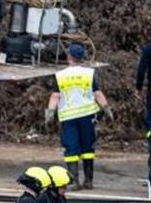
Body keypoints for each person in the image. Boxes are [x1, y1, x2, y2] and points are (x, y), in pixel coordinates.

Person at [45, 44, 114, 190]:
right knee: (88, 147)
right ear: (82, 58)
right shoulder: (88, 73)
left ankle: (74, 180)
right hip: (87, 115)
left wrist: (50, 114)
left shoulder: (61, 75)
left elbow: (55, 96)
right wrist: (107, 110)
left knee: (71, 148)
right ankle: (88, 181)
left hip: (69, 116)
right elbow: (97, 93)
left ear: (69, 56)